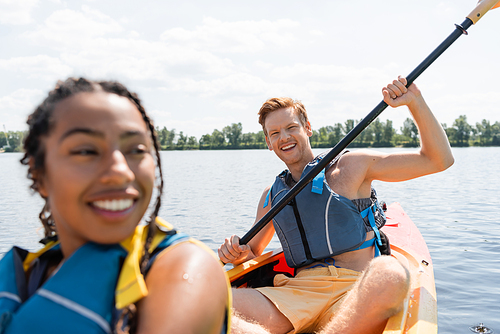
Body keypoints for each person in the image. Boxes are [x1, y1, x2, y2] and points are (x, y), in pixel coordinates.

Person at [218, 76, 454, 334]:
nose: (284, 137)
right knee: (211, 298)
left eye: (291, 127)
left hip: (355, 289)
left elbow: (438, 160)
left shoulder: (351, 166)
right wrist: (236, 253)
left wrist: (414, 101)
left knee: (389, 273)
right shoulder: (271, 196)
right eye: (275, 133)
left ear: (307, 128)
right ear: (268, 142)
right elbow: (251, 252)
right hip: (297, 293)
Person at [0, 78, 230, 334]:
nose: (121, 172)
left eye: (137, 149)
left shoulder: (187, 267)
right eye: (86, 151)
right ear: (39, 173)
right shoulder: (25, 275)